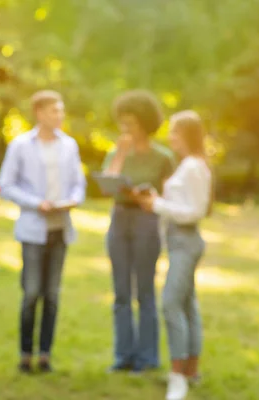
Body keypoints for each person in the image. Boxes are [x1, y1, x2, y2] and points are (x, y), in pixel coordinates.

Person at [0, 90, 86, 373]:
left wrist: (73, 199)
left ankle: (45, 354)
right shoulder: (21, 145)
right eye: (53, 111)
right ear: (39, 113)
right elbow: (6, 185)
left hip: (60, 229)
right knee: (32, 293)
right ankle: (26, 354)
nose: (59, 116)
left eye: (61, 111)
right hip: (33, 229)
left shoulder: (69, 145)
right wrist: (38, 204)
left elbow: (78, 183)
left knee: (52, 295)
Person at [134, 110, 212, 400]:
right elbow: (182, 202)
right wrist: (157, 200)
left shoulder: (194, 166)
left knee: (170, 304)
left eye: (175, 132)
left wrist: (157, 206)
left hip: (187, 242)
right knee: (188, 305)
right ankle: (190, 370)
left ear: (189, 135)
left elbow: (195, 212)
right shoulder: (187, 166)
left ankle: (178, 377)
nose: (171, 137)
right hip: (178, 241)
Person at [102, 89, 175, 373]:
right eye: (122, 123)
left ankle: (147, 358)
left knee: (144, 291)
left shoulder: (163, 157)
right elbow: (107, 183)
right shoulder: (115, 152)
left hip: (146, 221)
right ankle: (123, 357)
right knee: (120, 292)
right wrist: (120, 153)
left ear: (145, 123)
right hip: (119, 220)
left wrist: (149, 196)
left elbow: (170, 197)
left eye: (130, 123)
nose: (125, 129)